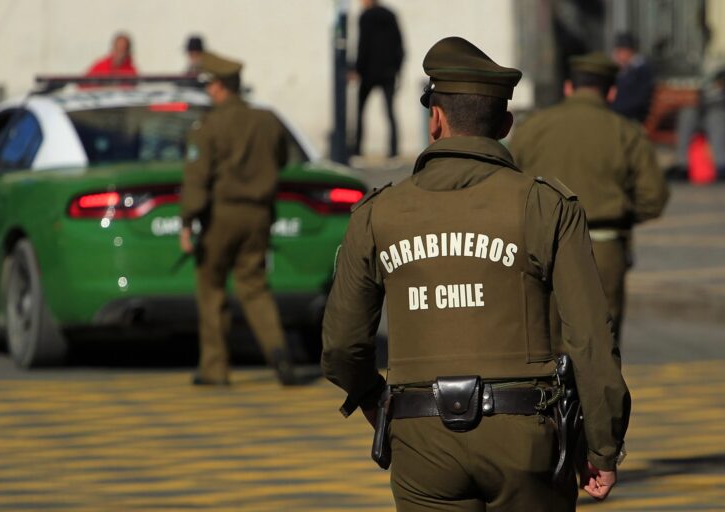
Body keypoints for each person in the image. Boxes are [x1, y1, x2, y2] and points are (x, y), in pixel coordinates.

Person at [323, 37, 630, 511]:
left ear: (436, 120)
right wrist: (602, 445)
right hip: (526, 435)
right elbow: (589, 336)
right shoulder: (545, 205)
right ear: (504, 124)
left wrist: (375, 402)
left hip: (421, 437)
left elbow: (342, 344)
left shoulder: (377, 213)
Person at [511, 52, 669, 344]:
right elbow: (653, 197)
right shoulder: (625, 132)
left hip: (541, 249)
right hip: (603, 247)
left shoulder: (530, 128)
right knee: (599, 349)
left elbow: (507, 185)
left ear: (568, 88)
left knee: (544, 346)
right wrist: (620, 211)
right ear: (612, 91)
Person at [179, 51, 297, 387]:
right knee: (255, 286)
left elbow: (197, 179)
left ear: (218, 87)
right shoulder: (267, 120)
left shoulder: (209, 126)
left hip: (221, 215)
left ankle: (215, 368)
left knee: (212, 287)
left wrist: (187, 222)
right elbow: (283, 159)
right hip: (259, 214)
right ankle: (278, 353)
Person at [352, 0, 404, 157]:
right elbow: (400, 45)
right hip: (388, 73)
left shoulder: (365, 17)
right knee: (390, 112)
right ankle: (393, 150)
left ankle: (357, 150)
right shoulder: (390, 15)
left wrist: (357, 69)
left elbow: (363, 45)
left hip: (369, 72)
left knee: (360, 111)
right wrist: (397, 69)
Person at [673, 67, 725, 180]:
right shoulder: (710, 90)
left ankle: (721, 166)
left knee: (716, 116)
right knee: (687, 113)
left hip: (718, 119)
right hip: (704, 116)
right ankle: (683, 165)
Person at [611, 32, 654, 123]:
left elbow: (638, 101)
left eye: (619, 51)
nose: (616, 55)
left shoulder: (641, 70)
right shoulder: (625, 69)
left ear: (629, 51)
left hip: (631, 117)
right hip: (622, 113)